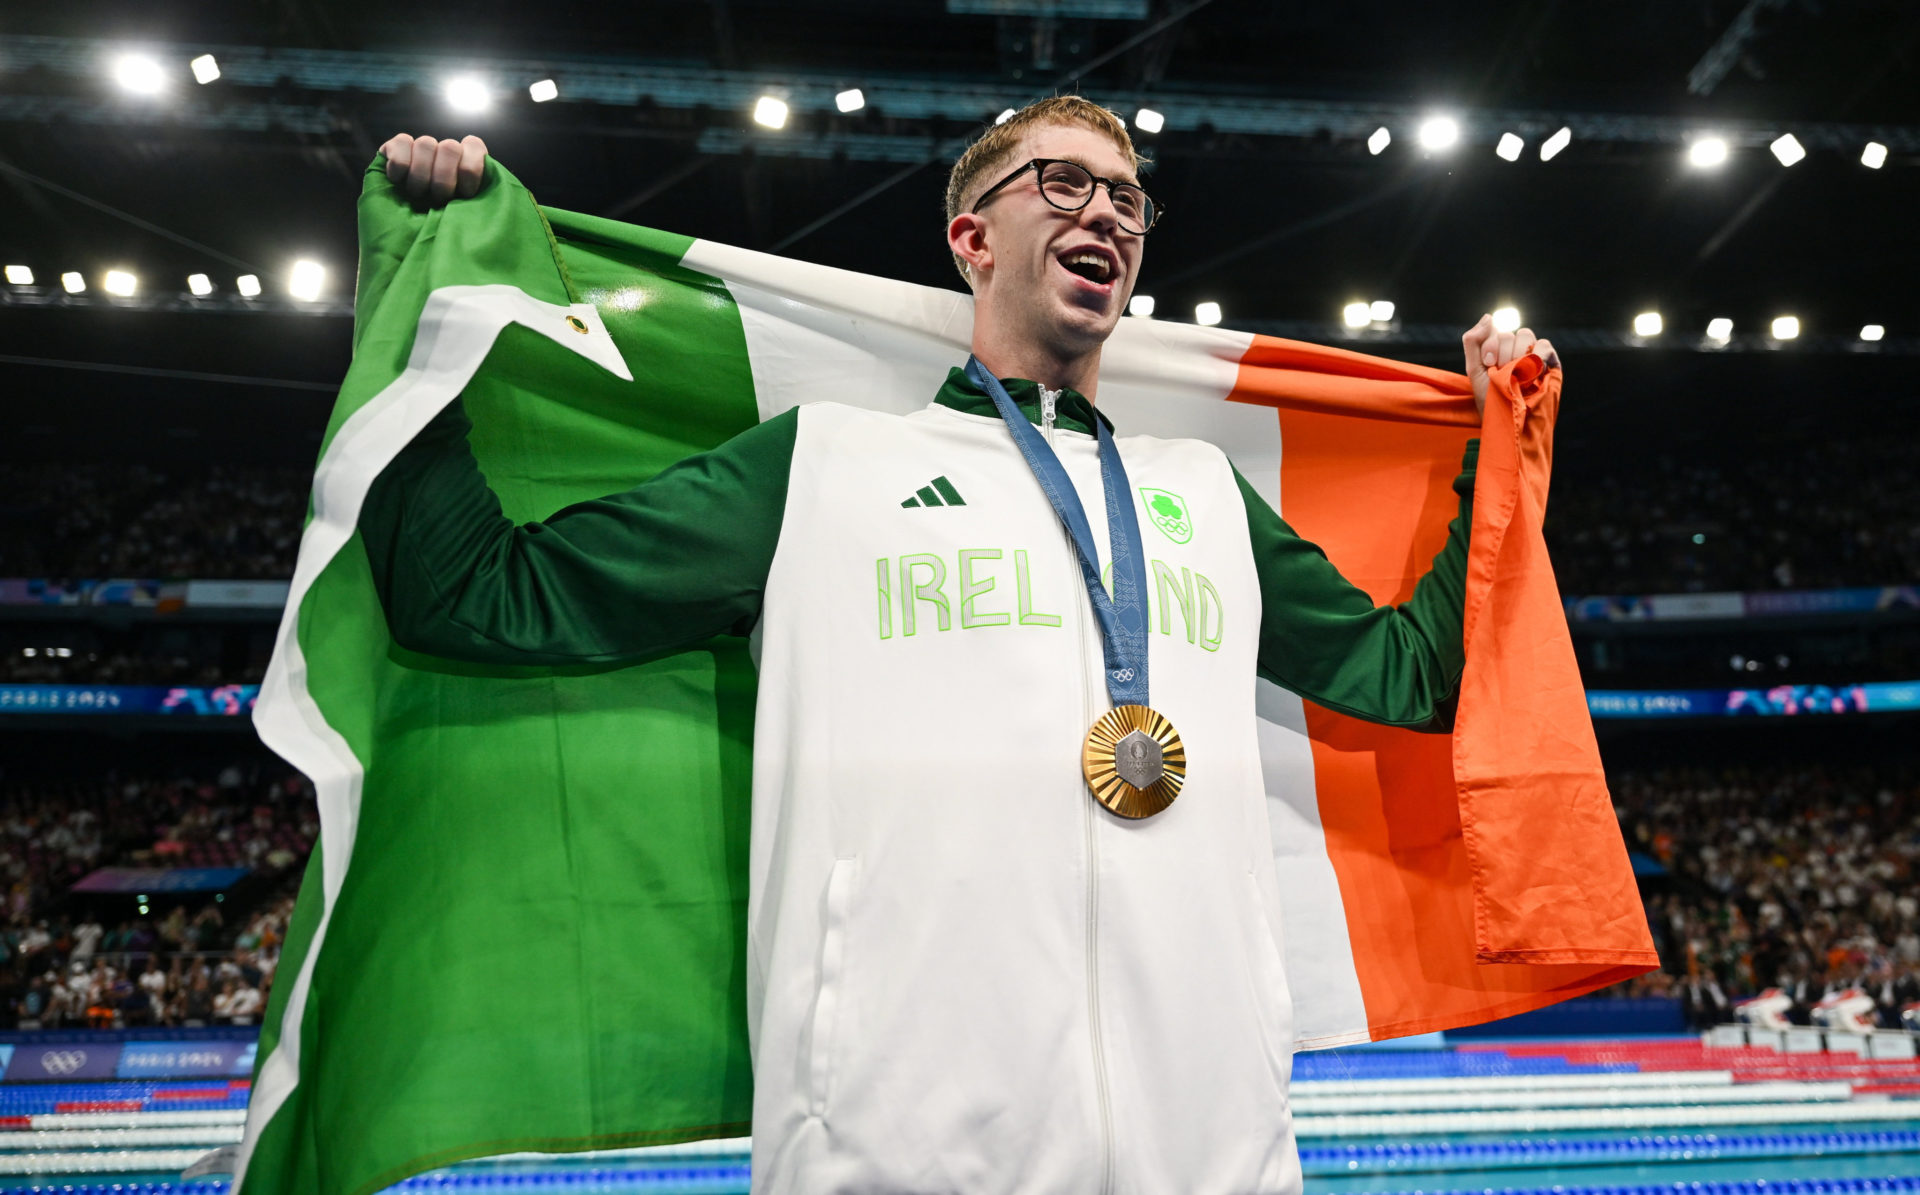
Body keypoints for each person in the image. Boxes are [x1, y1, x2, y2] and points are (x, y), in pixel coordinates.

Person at [364, 98, 1558, 1195]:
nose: (1107, 212)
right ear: (972, 239)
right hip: (892, 1151)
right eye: (1063, 183)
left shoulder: (1198, 494)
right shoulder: (822, 466)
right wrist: (421, 289)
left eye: (1129, 197)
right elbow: (476, 593)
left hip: (1212, 1148)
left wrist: (1499, 456)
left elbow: (1416, 676)